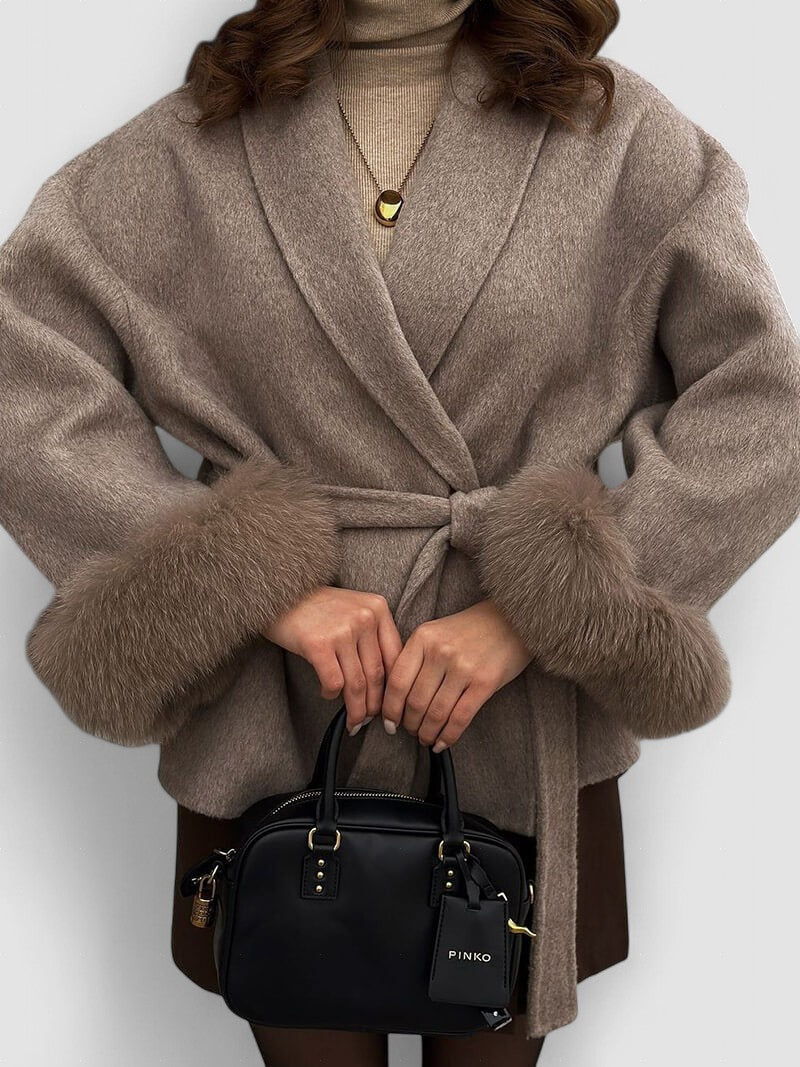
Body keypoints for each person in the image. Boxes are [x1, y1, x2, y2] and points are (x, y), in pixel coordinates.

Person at [1, 2, 798, 1065]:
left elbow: (764, 404)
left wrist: (539, 608)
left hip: (513, 711)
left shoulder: (614, 136)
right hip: (281, 711)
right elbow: (22, 377)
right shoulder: (197, 141)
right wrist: (254, 582)